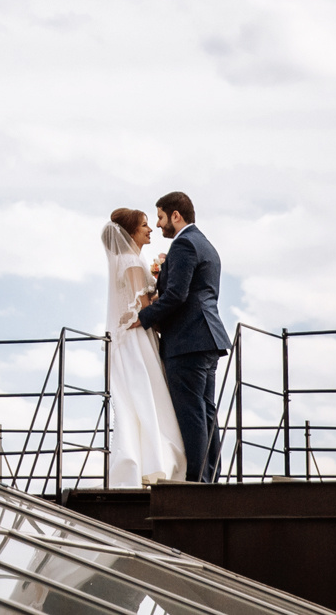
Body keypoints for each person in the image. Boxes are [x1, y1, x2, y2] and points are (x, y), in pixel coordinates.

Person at [131, 191, 230, 482]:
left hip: (188, 341)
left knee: (191, 413)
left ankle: (196, 482)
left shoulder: (184, 243)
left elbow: (176, 294)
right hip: (208, 337)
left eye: (161, 217)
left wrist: (145, 317)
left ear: (176, 215)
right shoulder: (205, 244)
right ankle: (208, 477)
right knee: (206, 413)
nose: (159, 225)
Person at [100, 207, 186, 487]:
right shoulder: (132, 262)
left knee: (132, 402)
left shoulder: (125, 260)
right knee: (149, 398)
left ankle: (138, 462)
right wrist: (161, 293)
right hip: (138, 340)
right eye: (145, 225)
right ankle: (156, 463)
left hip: (127, 339)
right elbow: (143, 307)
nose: (150, 230)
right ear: (130, 232)